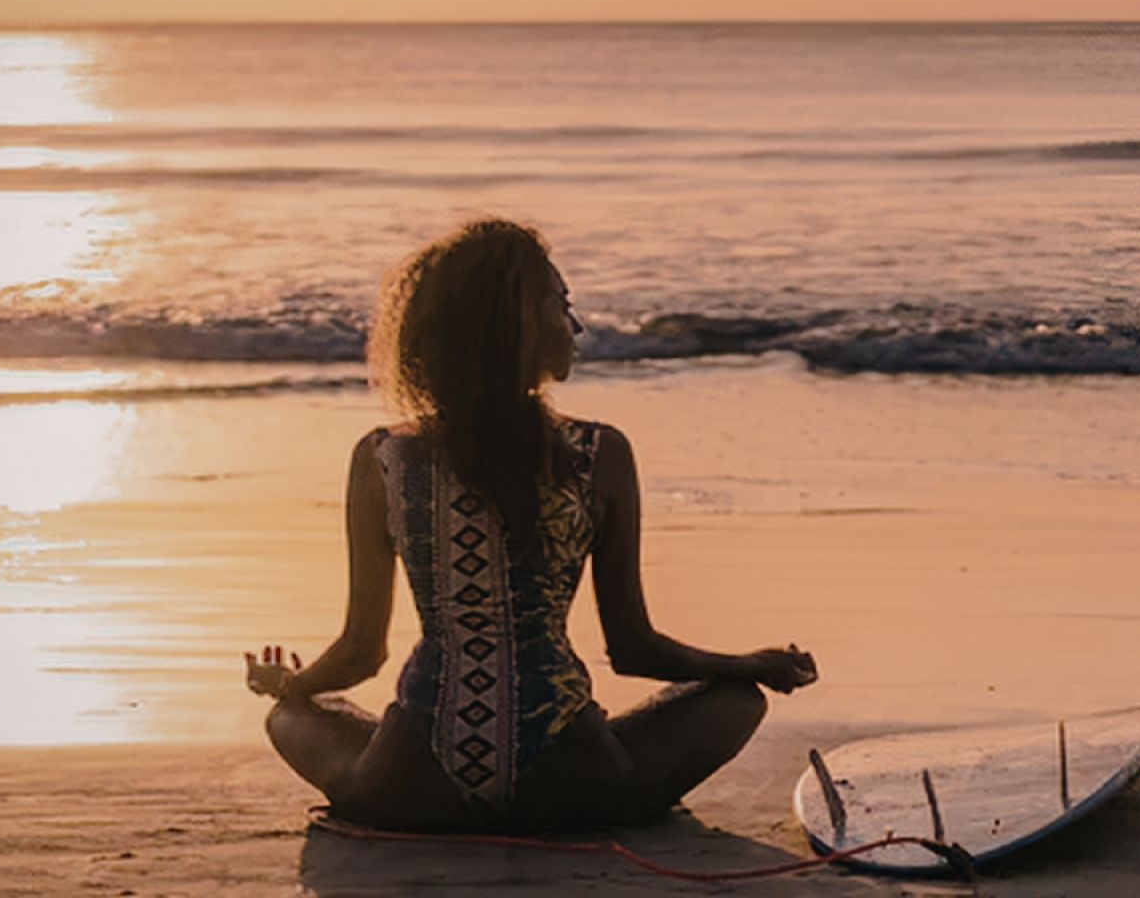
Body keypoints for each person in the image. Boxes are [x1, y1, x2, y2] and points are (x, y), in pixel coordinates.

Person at [244, 218, 817, 830]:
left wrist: (296, 686)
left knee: (289, 716)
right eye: (559, 305)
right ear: (513, 325)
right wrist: (749, 667)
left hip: (412, 785)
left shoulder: (383, 458)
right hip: (572, 779)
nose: (575, 326)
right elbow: (633, 647)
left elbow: (361, 653)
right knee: (734, 702)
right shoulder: (599, 454)